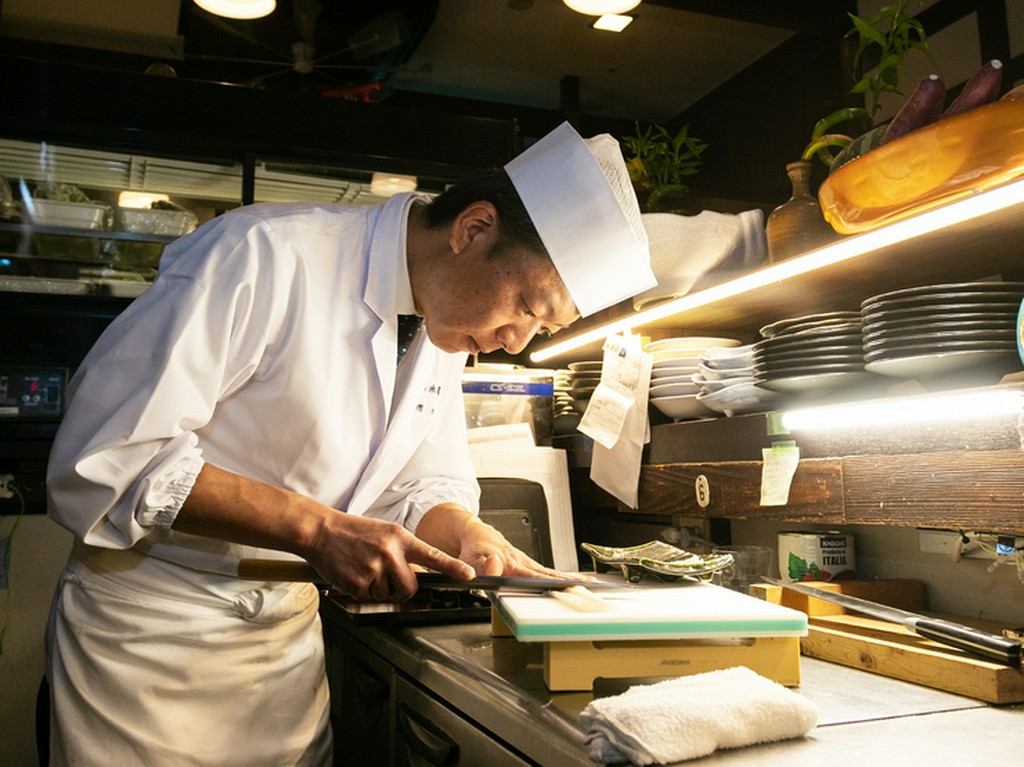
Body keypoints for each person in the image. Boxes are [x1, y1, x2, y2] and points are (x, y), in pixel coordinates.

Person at [43, 122, 656, 766]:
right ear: (473, 230)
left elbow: (417, 484)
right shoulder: (262, 254)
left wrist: (467, 536)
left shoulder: (443, 322)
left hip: (282, 659)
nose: (518, 341)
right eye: (529, 307)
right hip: (151, 647)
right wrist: (316, 531)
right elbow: (107, 456)